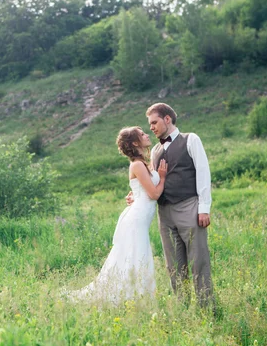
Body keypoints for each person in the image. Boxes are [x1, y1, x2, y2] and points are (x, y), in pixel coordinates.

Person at [65, 126, 167, 305]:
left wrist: (133, 195)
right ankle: (130, 298)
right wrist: (163, 177)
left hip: (139, 217)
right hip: (136, 220)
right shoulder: (137, 164)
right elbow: (154, 194)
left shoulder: (143, 163)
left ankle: (135, 297)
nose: (147, 135)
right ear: (135, 143)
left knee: (135, 256)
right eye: (142, 134)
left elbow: (141, 188)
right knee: (135, 256)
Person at [128, 102, 214, 309]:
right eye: (150, 124)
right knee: (174, 265)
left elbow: (203, 173)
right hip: (164, 214)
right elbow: (150, 180)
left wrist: (204, 208)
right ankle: (183, 308)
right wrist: (135, 195)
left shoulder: (190, 139)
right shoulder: (155, 150)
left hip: (189, 208)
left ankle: (207, 309)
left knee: (198, 261)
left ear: (167, 119)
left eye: (154, 122)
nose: (152, 127)